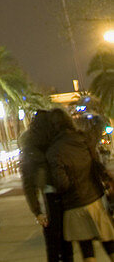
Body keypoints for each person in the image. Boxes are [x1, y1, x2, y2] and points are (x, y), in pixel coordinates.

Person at [46, 107, 114, 260]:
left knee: (86, 247)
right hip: (94, 198)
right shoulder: (83, 139)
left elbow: (62, 183)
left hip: (73, 205)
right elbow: (97, 165)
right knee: (108, 240)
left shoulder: (53, 151)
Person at [21, 110, 73, 261]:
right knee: (67, 242)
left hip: (47, 199)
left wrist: (37, 211)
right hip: (65, 195)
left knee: (52, 245)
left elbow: (28, 183)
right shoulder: (57, 141)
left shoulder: (30, 148)